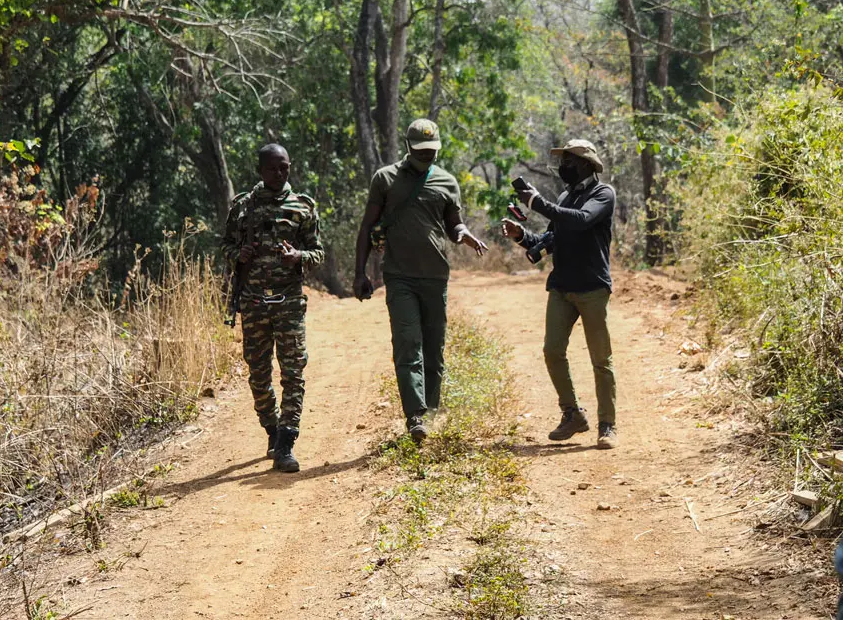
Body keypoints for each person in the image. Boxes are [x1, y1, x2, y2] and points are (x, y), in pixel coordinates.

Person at [353, 119, 488, 442]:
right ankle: (415, 416)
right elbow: (366, 227)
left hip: (435, 276)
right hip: (399, 276)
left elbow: (454, 224)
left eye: (432, 151)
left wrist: (465, 234)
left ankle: (430, 411)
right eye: (421, 151)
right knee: (407, 343)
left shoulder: (447, 181)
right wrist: (359, 273)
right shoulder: (385, 179)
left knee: (433, 348)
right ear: (409, 147)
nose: (427, 156)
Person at [501, 139, 618, 449]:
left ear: (586, 164)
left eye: (570, 160)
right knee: (552, 351)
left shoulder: (603, 194)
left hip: (592, 287)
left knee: (600, 360)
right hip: (562, 287)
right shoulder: (566, 195)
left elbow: (580, 222)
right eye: (563, 160)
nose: (564, 166)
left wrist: (536, 203)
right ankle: (572, 414)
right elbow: (550, 238)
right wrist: (522, 236)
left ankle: (607, 425)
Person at [222, 144, 324, 472]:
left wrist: (300, 256)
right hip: (253, 303)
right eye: (273, 169)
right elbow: (225, 246)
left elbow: (318, 252)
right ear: (260, 171)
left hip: (289, 301)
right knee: (258, 372)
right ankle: (271, 429)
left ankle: (286, 442)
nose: (280, 174)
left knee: (293, 372)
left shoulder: (303, 206)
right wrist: (238, 254)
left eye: (285, 168)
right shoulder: (242, 206)